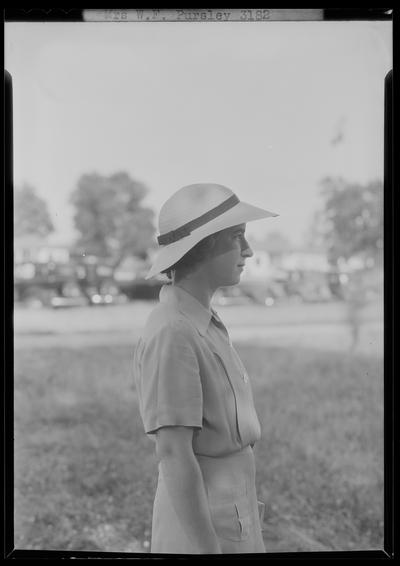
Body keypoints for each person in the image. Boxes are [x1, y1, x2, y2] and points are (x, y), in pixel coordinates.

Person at [133, 183, 278, 554]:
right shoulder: (173, 330)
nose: (248, 250)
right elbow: (173, 454)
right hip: (200, 532)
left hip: (230, 512)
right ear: (204, 245)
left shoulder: (202, 321)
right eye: (237, 237)